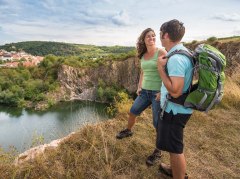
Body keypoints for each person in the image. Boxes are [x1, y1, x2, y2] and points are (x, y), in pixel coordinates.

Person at [116, 28, 167, 166]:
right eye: (148, 36)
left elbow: (168, 72)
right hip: (145, 92)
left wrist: (162, 91)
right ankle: (128, 131)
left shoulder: (161, 52)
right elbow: (143, 72)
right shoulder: (143, 55)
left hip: (157, 93)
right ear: (144, 40)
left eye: (153, 36)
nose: (151, 38)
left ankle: (158, 151)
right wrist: (139, 87)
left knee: (157, 123)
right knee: (133, 111)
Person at [157, 19, 193, 179]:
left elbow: (176, 91)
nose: (159, 36)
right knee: (173, 145)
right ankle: (174, 169)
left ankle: (178, 175)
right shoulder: (182, 52)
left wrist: (160, 69)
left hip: (174, 110)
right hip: (178, 109)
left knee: (175, 148)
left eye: (160, 33)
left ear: (165, 35)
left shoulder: (177, 59)